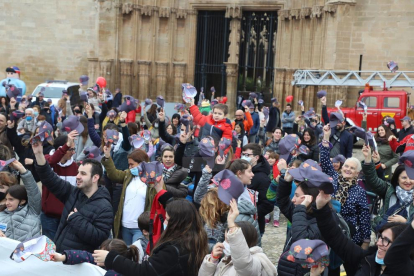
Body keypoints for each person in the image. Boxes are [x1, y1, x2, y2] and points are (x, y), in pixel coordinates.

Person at [92, 198, 209, 276]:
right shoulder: (196, 239)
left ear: (177, 222)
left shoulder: (173, 249)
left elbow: (144, 272)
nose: (165, 223)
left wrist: (111, 258)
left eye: (168, 220)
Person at [33, 141, 113, 252]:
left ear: (95, 178)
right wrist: (38, 154)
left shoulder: (105, 207)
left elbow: (98, 238)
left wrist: (75, 219)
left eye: (83, 174)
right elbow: (50, 178)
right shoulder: (73, 193)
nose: (78, 176)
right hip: (61, 258)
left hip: (79, 264)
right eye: (78, 172)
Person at [314, 190, 414, 276]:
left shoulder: (406, 271)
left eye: (386, 240)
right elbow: (336, 238)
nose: (378, 243)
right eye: (380, 237)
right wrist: (322, 208)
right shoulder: (366, 259)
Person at [320, 125, 371, 250]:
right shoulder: (333, 178)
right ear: (342, 167)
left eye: (352, 168)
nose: (348, 169)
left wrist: (366, 240)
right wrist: (326, 137)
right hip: (330, 232)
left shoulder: (359, 191)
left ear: (357, 173)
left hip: (349, 237)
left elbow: (364, 217)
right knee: (332, 268)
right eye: (346, 166)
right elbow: (325, 160)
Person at [198, 199, 277, 276]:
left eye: (229, 239)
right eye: (225, 239)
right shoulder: (225, 259)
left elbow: (244, 264)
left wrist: (232, 224)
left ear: (241, 241)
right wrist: (212, 260)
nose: (224, 243)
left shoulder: (255, 262)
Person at [276, 159, 326, 276]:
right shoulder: (303, 213)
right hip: (288, 269)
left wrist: (301, 208)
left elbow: (301, 240)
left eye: (297, 196)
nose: (293, 199)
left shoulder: (321, 221)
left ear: (310, 198)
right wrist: (286, 182)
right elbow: (283, 202)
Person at [101, 147, 150, 243]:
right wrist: (107, 157)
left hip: (140, 228)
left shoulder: (151, 180)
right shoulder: (129, 174)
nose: (130, 167)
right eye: (129, 165)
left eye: (132, 164)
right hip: (125, 226)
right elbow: (114, 175)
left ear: (142, 163)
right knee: (125, 255)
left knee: (137, 255)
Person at [361, 146, 414, 231]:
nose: (408, 181)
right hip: (384, 239)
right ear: (397, 179)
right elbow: (373, 180)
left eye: (411, 177)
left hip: (407, 241)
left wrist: (405, 222)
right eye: (404, 178)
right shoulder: (389, 190)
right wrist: (368, 159)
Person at [41, 132, 78, 240]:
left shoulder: (75, 167)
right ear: (61, 149)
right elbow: (51, 161)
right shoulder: (47, 159)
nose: (73, 152)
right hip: (49, 216)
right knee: (49, 248)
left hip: (67, 216)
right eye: (70, 149)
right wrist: (66, 145)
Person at [0, 160, 41, 241]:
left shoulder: (32, 211)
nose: (7, 202)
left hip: (30, 252)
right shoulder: (1, 215)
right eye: (6, 199)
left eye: (11, 199)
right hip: (8, 253)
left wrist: (22, 170)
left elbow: (33, 191)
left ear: (22, 201)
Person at [51, 238, 141, 275]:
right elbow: (83, 256)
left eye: (103, 254)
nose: (98, 256)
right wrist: (62, 257)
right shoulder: (98, 261)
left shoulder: (119, 272)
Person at [241, 144, 274, 236]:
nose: (244, 157)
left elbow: (267, 204)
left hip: (255, 226)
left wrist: (249, 213)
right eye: (243, 154)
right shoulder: (240, 172)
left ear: (256, 157)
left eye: (247, 155)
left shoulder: (262, 178)